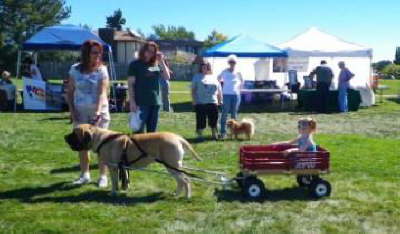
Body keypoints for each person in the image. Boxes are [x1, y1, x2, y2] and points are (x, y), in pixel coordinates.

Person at [66, 40, 111, 187]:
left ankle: (103, 176)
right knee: (82, 145)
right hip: (80, 113)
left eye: (99, 52)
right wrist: (72, 112)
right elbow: (70, 92)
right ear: (86, 53)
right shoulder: (74, 69)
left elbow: (101, 92)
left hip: (99, 113)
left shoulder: (102, 70)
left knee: (102, 145)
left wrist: (97, 112)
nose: (98, 55)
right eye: (94, 52)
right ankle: (85, 175)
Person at [127, 41, 171, 133]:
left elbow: (167, 77)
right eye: (149, 51)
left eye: (153, 52)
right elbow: (130, 84)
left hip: (155, 103)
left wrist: (161, 61)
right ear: (143, 51)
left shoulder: (155, 65)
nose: (150, 54)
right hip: (140, 103)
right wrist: (132, 101)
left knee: (152, 134)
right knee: (138, 132)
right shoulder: (135, 65)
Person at [191, 61, 222, 140]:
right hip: (200, 102)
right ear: (200, 67)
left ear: (209, 67)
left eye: (206, 66)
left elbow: (219, 90)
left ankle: (214, 135)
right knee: (201, 120)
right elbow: (193, 90)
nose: (204, 68)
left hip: (213, 102)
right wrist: (194, 100)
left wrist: (220, 100)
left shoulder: (214, 76)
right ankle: (200, 135)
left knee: (214, 119)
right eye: (203, 66)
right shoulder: (196, 76)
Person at [217, 55, 244, 139]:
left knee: (234, 114)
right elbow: (218, 79)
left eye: (234, 62)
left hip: (236, 95)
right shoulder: (224, 71)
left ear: (236, 63)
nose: (232, 63)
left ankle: (233, 133)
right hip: (226, 95)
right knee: (224, 114)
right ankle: (223, 132)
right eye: (231, 62)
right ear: (228, 63)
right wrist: (220, 88)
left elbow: (242, 81)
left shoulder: (238, 72)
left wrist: (240, 89)